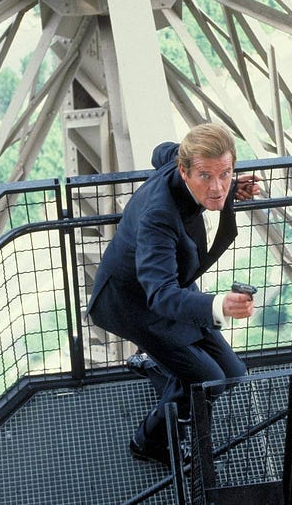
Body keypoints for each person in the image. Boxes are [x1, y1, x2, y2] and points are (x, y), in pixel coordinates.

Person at [86, 122, 261, 467]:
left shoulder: (178, 161)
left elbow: (160, 151)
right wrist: (218, 304)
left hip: (167, 289)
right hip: (133, 305)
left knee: (233, 373)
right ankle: (147, 441)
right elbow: (162, 297)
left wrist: (228, 182)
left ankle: (157, 365)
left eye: (226, 174)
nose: (218, 188)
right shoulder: (159, 217)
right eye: (206, 177)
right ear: (184, 172)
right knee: (206, 379)